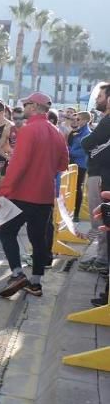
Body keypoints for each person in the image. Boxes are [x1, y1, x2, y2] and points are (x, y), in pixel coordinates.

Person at [0, 92, 69, 298]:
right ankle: (35, 283)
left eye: (26, 104)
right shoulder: (56, 132)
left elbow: (18, 166)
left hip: (22, 194)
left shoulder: (28, 131)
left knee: (7, 232)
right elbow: (63, 164)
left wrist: (3, 192)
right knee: (38, 239)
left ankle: (18, 273)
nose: (24, 107)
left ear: (35, 107)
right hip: (44, 196)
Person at [80, 83, 110, 275]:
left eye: (100, 97)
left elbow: (88, 142)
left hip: (101, 175)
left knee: (100, 218)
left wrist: (87, 144)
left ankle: (102, 259)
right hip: (101, 173)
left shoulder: (108, 121)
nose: (97, 100)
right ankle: (101, 256)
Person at [68, 111, 92, 222]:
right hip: (73, 162)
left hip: (81, 165)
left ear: (86, 120)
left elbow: (84, 151)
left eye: (79, 119)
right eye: (76, 119)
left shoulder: (87, 133)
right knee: (71, 188)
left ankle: (76, 214)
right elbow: (71, 146)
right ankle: (70, 211)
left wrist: (69, 153)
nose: (77, 121)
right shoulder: (77, 132)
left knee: (77, 188)